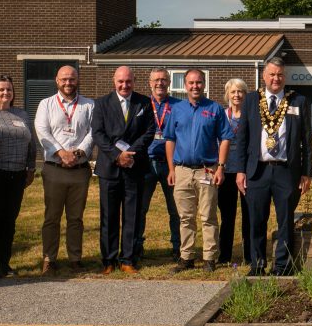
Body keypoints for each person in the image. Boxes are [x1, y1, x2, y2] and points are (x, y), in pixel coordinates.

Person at [233, 56, 312, 276]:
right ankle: (257, 264)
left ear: (284, 76)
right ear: (263, 76)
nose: (276, 78)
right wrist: (240, 170)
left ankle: (282, 266)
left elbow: (307, 139)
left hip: (287, 171)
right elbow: (242, 138)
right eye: (272, 74)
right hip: (257, 170)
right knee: (256, 219)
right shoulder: (251, 100)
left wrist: (307, 173)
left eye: (279, 75)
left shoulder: (298, 101)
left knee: (286, 220)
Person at [164, 68, 233, 272]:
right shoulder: (176, 109)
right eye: (191, 83)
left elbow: (226, 138)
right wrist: (171, 169)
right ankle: (186, 257)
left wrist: (220, 167)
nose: (195, 86)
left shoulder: (215, 109)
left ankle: (210, 258)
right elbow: (170, 139)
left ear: (204, 84)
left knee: (208, 215)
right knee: (185, 217)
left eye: (199, 82)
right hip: (182, 170)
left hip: (207, 171)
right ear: (185, 85)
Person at [92, 65, 156, 274]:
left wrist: (130, 154)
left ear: (134, 81)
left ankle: (127, 259)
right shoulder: (101, 103)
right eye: (120, 81)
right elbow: (98, 134)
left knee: (133, 215)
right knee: (108, 216)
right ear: (114, 81)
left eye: (128, 81)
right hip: (109, 168)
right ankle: (108, 260)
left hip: (134, 167)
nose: (124, 85)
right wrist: (116, 156)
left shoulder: (144, 102)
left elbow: (149, 132)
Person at [34, 65, 95, 275]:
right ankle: (49, 259)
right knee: (52, 216)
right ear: (56, 80)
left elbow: (93, 132)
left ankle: (75, 258)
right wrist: (61, 153)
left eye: (72, 79)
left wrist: (77, 154)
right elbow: (42, 130)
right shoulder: (46, 104)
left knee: (76, 218)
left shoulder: (89, 104)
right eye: (64, 79)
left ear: (77, 80)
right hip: (54, 168)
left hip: (79, 169)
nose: (68, 83)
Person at [0, 75, 37, 279]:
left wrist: (31, 168)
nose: (6, 93)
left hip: (17, 174)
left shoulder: (21, 114)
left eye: (9, 90)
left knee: (9, 220)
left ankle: (4, 262)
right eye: (1, 90)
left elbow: (31, 144)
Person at [140, 67, 183, 261]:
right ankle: (137, 245)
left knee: (175, 209)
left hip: (170, 164)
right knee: (141, 208)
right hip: (146, 163)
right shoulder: (142, 104)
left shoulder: (178, 106)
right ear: (150, 83)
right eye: (156, 80)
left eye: (164, 80)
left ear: (169, 83)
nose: (160, 83)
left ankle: (178, 246)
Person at [217, 78, 251, 265]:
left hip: (246, 170)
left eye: (240, 92)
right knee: (227, 215)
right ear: (227, 95)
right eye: (233, 92)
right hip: (226, 170)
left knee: (248, 214)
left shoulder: (251, 115)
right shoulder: (222, 115)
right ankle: (224, 256)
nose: (237, 95)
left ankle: (249, 255)